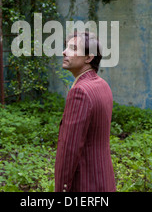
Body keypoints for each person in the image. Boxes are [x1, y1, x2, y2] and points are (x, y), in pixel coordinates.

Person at [54, 31, 116, 192]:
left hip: (85, 183)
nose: (64, 52)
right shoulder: (102, 85)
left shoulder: (80, 91)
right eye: (66, 47)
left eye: (73, 48)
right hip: (103, 178)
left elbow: (69, 149)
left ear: (88, 58)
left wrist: (62, 188)